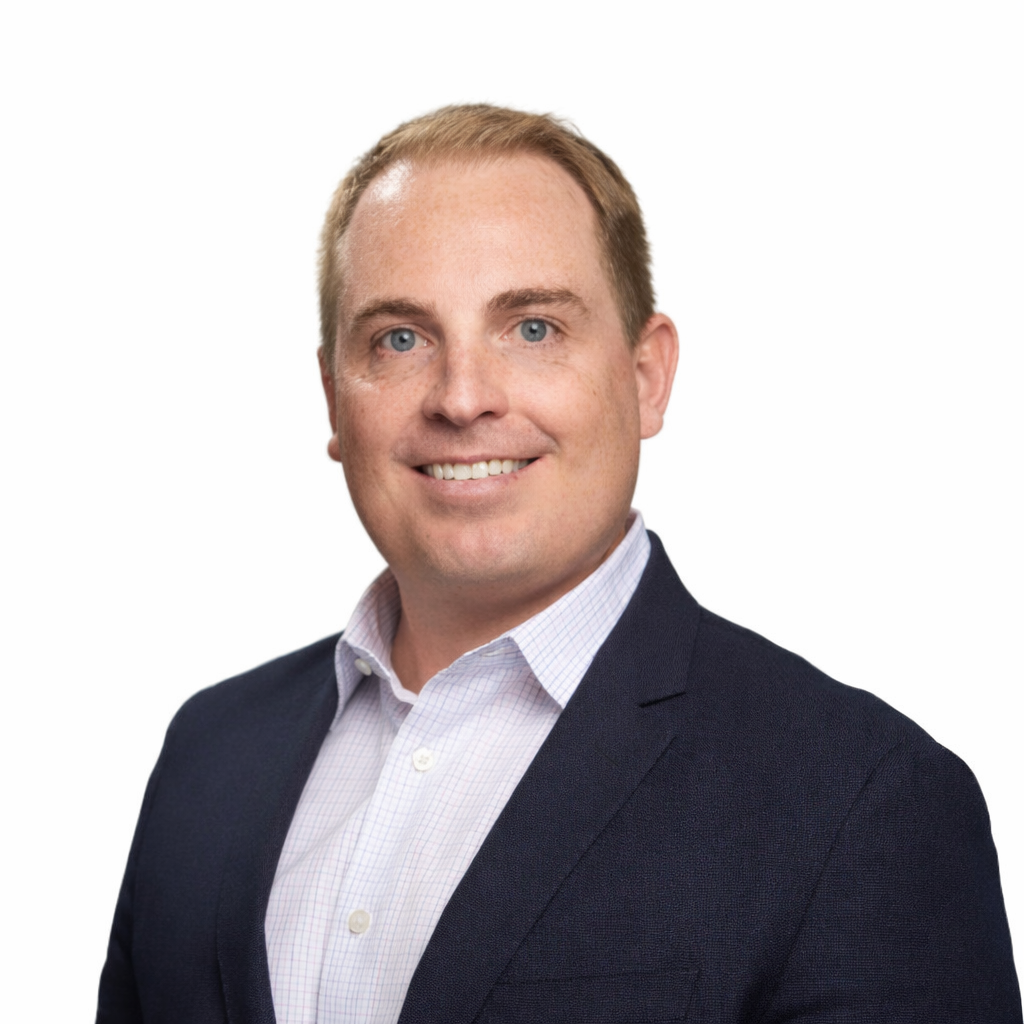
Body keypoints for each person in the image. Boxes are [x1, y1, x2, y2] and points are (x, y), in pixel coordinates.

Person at [96, 104, 1022, 1024]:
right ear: (335, 401)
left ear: (647, 375)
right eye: (400, 339)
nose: (462, 399)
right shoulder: (208, 755)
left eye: (532, 328)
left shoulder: (859, 803)